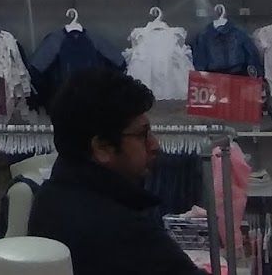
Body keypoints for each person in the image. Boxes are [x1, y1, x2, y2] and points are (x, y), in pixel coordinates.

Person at [26, 67, 195, 275]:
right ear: (102, 148)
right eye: (142, 135)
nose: (154, 145)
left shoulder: (48, 197)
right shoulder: (128, 232)